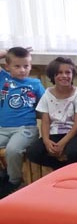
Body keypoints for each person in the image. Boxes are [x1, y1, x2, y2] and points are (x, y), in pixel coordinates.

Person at [25, 57, 77, 170]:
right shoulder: (47, 94)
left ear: (73, 75)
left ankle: (68, 171)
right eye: (59, 73)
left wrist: (62, 143)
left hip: (73, 134)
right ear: (52, 76)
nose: (64, 76)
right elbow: (45, 121)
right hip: (53, 133)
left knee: (73, 152)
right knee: (32, 152)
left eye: (67, 72)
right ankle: (60, 168)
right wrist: (46, 141)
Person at [0, 46, 45, 196]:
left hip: (25, 129)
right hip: (3, 128)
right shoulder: (3, 78)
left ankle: (14, 180)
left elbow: (46, 105)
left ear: (31, 66)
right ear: (7, 66)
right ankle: (4, 173)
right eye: (17, 66)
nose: (22, 70)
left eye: (26, 66)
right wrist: (8, 52)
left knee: (13, 150)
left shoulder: (35, 84)